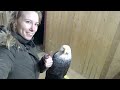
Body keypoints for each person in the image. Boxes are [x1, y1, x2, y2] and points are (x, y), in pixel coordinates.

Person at [0, 11, 53, 79]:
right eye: (28, 22)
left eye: (36, 24)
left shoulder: (28, 42)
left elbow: (29, 67)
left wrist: (43, 63)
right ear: (15, 22)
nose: (33, 29)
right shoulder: (6, 50)